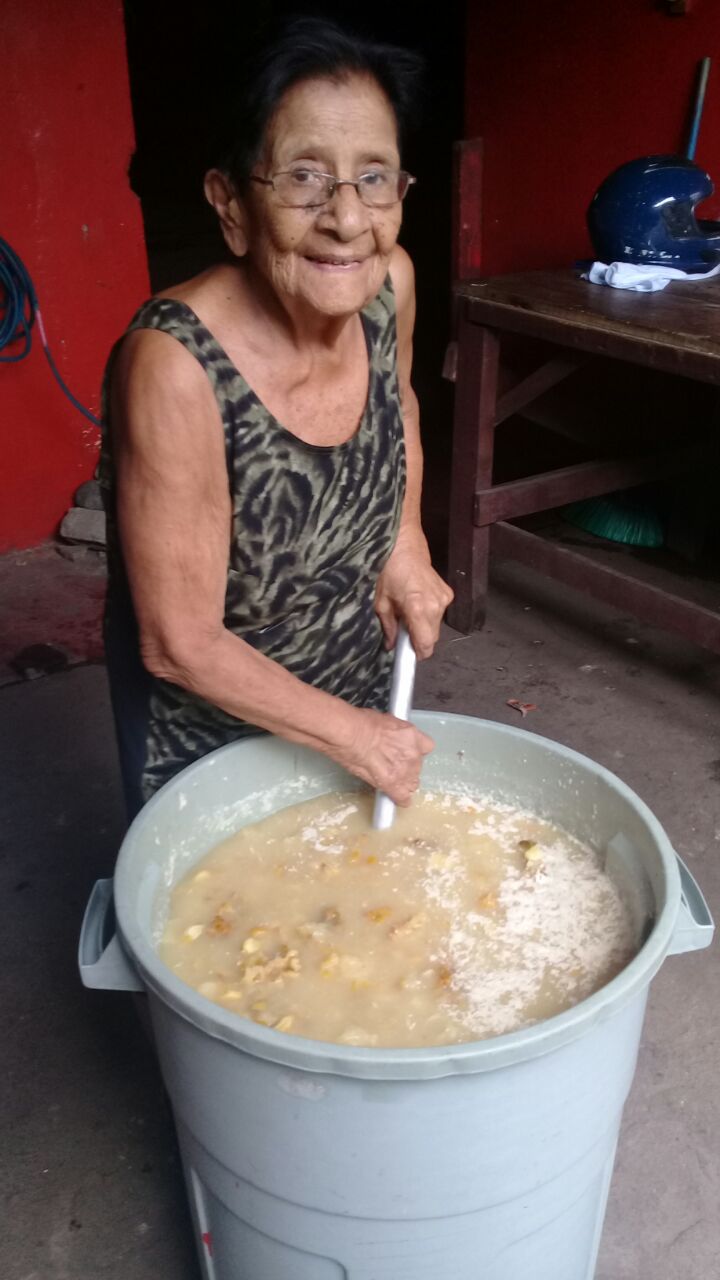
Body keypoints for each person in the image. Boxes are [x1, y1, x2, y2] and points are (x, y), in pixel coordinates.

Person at [99, 17, 453, 821]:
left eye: (375, 177)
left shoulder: (388, 282)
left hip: (355, 677)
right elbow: (179, 644)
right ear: (231, 204)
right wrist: (357, 739)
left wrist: (404, 540)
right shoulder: (176, 365)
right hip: (209, 729)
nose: (347, 218)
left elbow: (399, 403)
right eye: (303, 177)